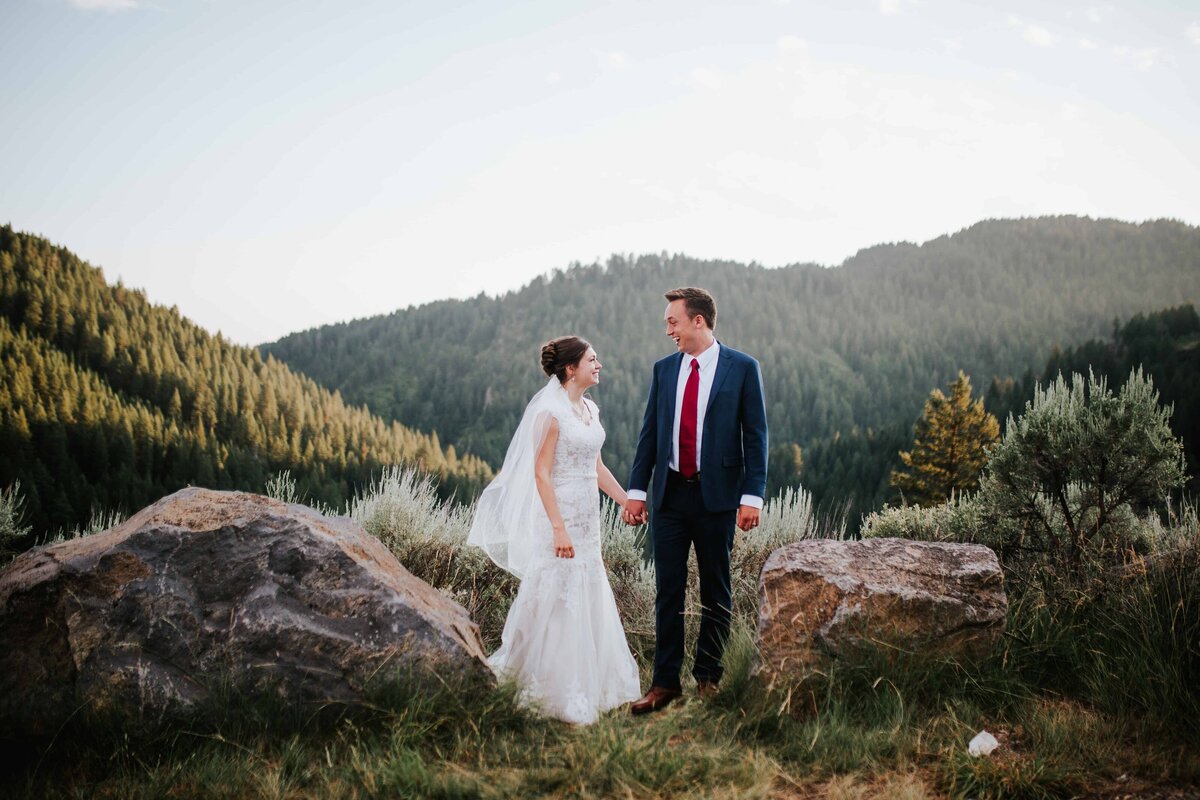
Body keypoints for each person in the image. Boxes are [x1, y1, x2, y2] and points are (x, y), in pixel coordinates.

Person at [468, 336, 641, 724]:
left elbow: (596, 468)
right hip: (558, 517)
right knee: (556, 591)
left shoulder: (590, 410)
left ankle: (592, 683)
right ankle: (548, 686)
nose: (599, 365)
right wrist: (558, 529)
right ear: (570, 369)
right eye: (592, 359)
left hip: (588, 519)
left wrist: (625, 500)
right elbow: (541, 474)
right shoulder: (549, 412)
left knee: (587, 585)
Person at [623, 287, 768, 714]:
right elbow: (650, 434)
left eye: (673, 321)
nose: (668, 329)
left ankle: (708, 677)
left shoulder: (742, 368)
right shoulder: (664, 370)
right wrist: (636, 492)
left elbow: (756, 436)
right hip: (669, 495)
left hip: (718, 497)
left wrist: (752, 496)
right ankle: (665, 683)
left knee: (716, 591)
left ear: (698, 321)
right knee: (667, 590)